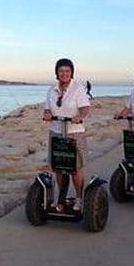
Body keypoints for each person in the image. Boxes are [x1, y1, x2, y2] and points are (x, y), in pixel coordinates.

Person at [43, 58, 90, 212]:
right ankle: (61, 199)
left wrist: (79, 117)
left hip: (74, 132)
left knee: (75, 168)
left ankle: (79, 198)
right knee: (58, 167)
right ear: (57, 73)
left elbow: (85, 109)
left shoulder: (78, 89)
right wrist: (47, 114)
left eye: (67, 71)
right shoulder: (52, 89)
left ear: (71, 73)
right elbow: (47, 109)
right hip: (56, 131)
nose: (64, 74)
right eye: (61, 71)